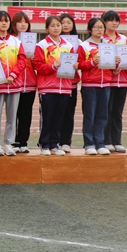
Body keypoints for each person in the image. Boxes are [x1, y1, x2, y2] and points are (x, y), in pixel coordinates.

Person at [33, 15, 76, 156]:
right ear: (47, 28)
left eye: (58, 25)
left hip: (64, 87)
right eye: (53, 25)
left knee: (59, 117)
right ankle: (45, 144)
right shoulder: (42, 45)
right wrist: (53, 66)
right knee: (48, 117)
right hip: (47, 87)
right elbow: (38, 66)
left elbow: (71, 65)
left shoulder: (68, 46)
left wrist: (74, 66)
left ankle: (54, 144)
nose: (56, 28)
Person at [0, 11, 26, 156]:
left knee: (12, 116)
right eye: (0, 20)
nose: (4, 23)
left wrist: (13, 75)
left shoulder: (16, 41)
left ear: (10, 23)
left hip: (14, 84)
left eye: (6, 20)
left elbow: (22, 60)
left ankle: (9, 144)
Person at [78, 17, 113, 155]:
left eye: (101, 27)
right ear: (90, 29)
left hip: (106, 84)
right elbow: (79, 64)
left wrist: (116, 62)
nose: (99, 30)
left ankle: (100, 143)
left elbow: (111, 66)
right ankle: (89, 144)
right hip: (90, 85)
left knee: (102, 116)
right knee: (90, 116)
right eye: (96, 27)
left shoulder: (109, 45)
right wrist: (92, 63)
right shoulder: (84, 46)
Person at [102, 10, 127, 152]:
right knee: (106, 111)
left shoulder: (124, 39)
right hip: (108, 81)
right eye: (110, 20)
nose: (114, 23)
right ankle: (106, 141)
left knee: (118, 112)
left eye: (116, 20)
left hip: (123, 81)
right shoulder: (101, 39)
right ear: (104, 22)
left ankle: (117, 141)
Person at [9, 11, 37, 153]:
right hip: (15, 83)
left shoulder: (33, 42)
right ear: (14, 24)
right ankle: (13, 141)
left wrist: (35, 59)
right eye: (20, 22)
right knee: (13, 113)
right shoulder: (10, 41)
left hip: (30, 83)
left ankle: (23, 141)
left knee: (26, 113)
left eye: (25, 22)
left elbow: (38, 64)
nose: (23, 24)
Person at [58, 13, 80, 153]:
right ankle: (54, 140)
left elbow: (83, 59)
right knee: (55, 113)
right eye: (63, 22)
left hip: (71, 83)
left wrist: (79, 64)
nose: (65, 25)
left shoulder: (79, 43)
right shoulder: (52, 43)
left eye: (68, 22)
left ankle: (66, 142)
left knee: (68, 113)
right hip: (55, 84)